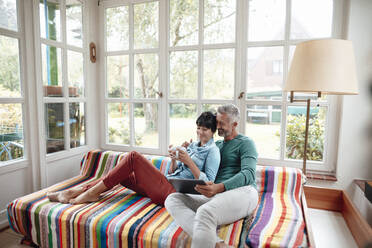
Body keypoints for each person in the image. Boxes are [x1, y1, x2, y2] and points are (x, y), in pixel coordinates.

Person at [47, 111, 220, 206]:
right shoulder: (193, 145)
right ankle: (74, 192)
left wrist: (189, 161)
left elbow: (209, 183)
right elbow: (172, 172)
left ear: (212, 131)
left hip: (172, 194)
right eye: (198, 128)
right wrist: (175, 158)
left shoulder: (213, 151)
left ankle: (91, 193)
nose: (200, 132)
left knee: (133, 157)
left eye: (204, 129)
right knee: (121, 175)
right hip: (168, 183)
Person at [165, 104, 258, 248]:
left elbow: (249, 174)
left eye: (222, 123)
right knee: (172, 199)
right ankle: (217, 243)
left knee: (204, 212)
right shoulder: (215, 146)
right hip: (217, 194)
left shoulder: (246, 143)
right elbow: (204, 172)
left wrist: (219, 187)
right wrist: (190, 150)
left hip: (244, 191)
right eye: (217, 121)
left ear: (234, 124)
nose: (217, 125)